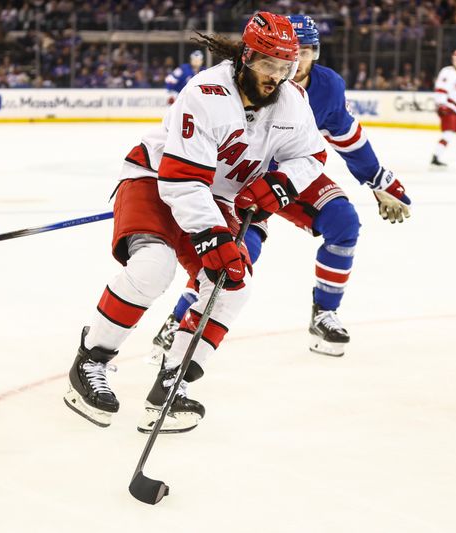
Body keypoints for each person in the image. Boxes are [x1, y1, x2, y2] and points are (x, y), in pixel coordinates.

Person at [64, 12, 327, 433]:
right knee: (154, 266)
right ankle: (91, 360)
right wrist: (210, 237)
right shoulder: (206, 93)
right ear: (246, 58)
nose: (275, 77)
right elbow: (182, 180)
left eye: (284, 67)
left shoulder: (293, 100)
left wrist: (279, 184)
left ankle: (173, 381)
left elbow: (311, 156)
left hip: (213, 196)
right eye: (267, 65)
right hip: (156, 178)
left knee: (233, 283)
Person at [150, 14, 412, 359]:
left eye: (307, 51)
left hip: (294, 176)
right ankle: (179, 321)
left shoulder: (326, 88)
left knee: (344, 222)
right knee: (233, 253)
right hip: (245, 181)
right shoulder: (240, 81)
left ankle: (325, 314)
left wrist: (378, 179)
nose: (299, 60)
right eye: (294, 51)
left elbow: (347, 136)